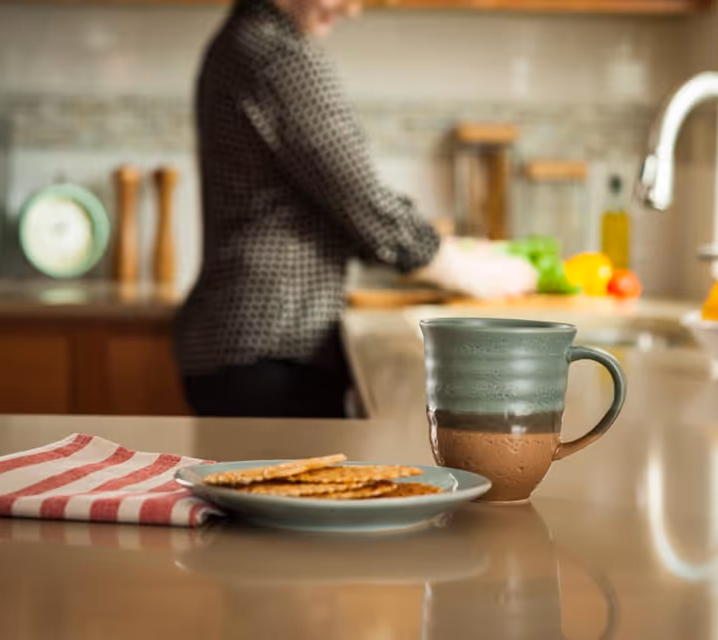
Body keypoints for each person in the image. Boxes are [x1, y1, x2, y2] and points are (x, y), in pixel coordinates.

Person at [175, 0, 536, 419]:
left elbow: (331, 201)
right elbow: (358, 200)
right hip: (272, 344)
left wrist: (446, 251)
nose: (351, 9)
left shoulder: (244, 41)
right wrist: (462, 269)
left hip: (248, 342)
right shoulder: (279, 55)